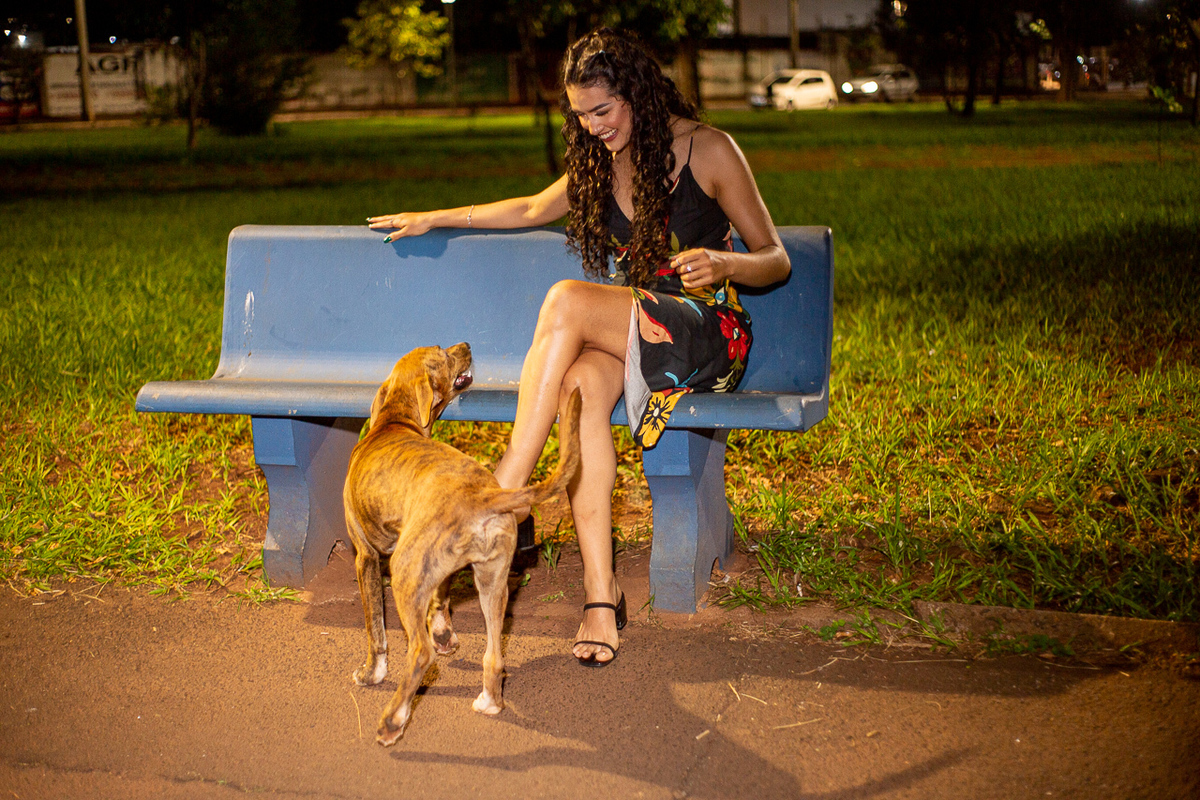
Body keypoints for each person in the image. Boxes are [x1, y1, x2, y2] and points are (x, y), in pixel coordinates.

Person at [367, 28, 790, 667]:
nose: (593, 127)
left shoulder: (709, 149)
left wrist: (727, 264)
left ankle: (503, 488)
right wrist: (436, 216)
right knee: (580, 392)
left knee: (567, 299)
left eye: (603, 110)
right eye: (581, 115)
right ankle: (601, 595)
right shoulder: (601, 162)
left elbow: (776, 259)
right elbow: (530, 207)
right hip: (635, 332)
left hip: (708, 330)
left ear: (638, 95)